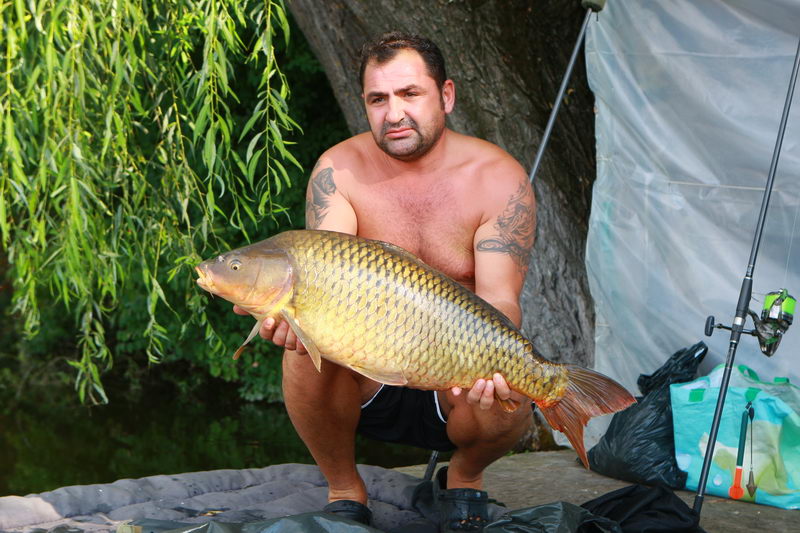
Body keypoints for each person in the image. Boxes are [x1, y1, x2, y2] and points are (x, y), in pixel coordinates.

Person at [236, 31, 536, 531]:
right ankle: (344, 488)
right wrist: (287, 312)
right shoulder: (339, 170)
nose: (394, 113)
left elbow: (500, 299)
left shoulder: (498, 178)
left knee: (512, 389)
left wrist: (489, 362)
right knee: (301, 349)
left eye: (409, 94)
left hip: (454, 375)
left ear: (446, 95)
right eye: (378, 99)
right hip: (368, 367)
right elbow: (322, 274)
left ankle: (465, 476)